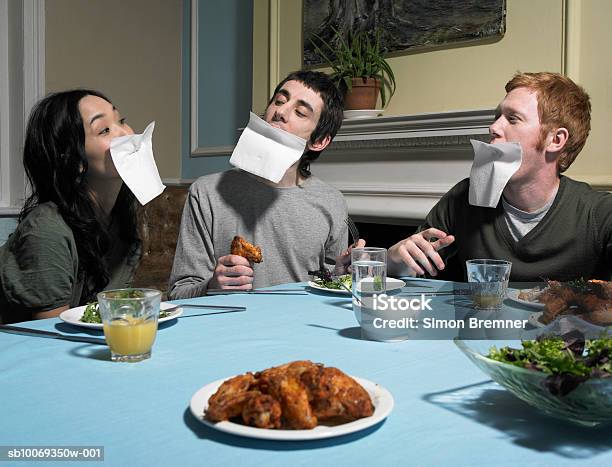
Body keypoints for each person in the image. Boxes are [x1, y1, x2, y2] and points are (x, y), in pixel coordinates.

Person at [388, 71, 612, 282]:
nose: (493, 127)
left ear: (555, 140)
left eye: (513, 119)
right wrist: (395, 261)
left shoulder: (598, 214)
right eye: (497, 117)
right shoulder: (463, 198)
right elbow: (410, 270)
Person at [169, 70, 363, 298]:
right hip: (230, 328)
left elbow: (327, 284)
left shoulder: (331, 201)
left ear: (319, 141)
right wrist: (212, 285)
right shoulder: (206, 192)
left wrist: (339, 275)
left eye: (300, 112)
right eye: (279, 101)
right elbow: (178, 293)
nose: (280, 111)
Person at [0, 90, 141, 323]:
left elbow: (110, 316)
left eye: (121, 121)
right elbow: (48, 337)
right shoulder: (47, 230)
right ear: (74, 160)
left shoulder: (122, 223)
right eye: (104, 129)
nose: (126, 134)